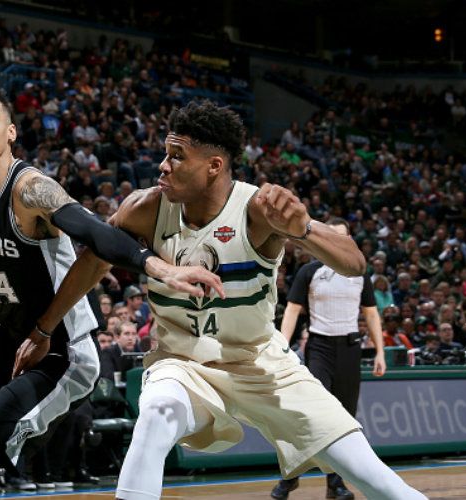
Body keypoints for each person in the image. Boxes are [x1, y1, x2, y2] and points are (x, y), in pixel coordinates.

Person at [0, 84, 222, 500]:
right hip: (9, 342)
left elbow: (95, 233)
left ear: (10, 132)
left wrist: (157, 267)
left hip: (60, 347)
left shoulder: (29, 189)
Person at [90, 100, 425, 500]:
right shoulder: (146, 208)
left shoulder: (257, 208)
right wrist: (45, 326)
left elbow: (354, 263)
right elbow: (94, 253)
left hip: (261, 360)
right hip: (182, 362)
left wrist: (303, 230)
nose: (162, 165)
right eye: (166, 153)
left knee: (377, 479)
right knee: (156, 414)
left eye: (176, 156)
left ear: (214, 165)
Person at [271, 218, 387, 500]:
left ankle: (335, 484)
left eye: (342, 238)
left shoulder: (360, 274)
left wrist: (380, 351)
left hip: (350, 349)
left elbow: (371, 314)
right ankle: (291, 476)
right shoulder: (309, 271)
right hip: (319, 348)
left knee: (344, 420)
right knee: (313, 416)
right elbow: (293, 310)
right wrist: (283, 347)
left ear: (349, 242)